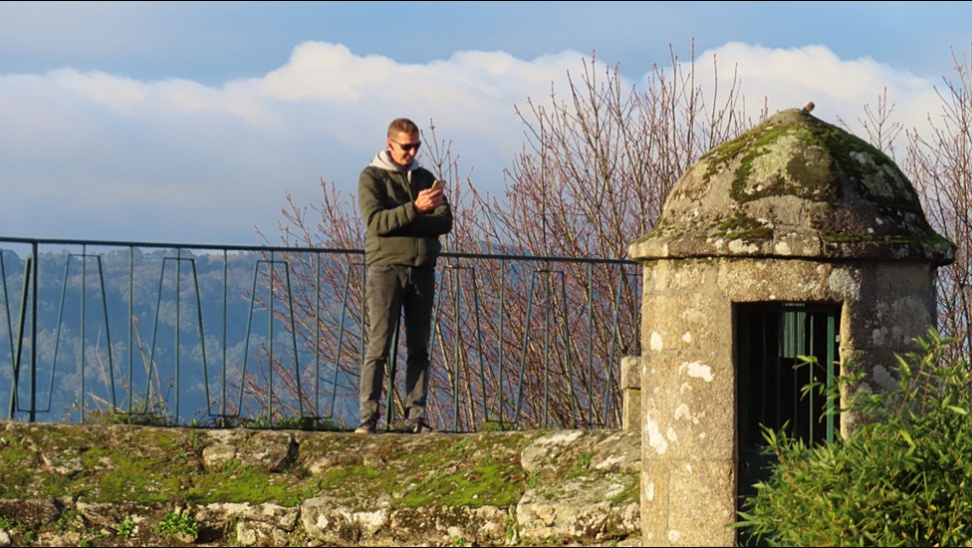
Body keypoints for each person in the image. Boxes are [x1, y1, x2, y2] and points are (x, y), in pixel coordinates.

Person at [355, 117, 453, 434]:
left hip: (422, 269)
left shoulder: (426, 178)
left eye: (416, 146)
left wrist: (408, 217)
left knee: (419, 348)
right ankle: (368, 419)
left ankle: (416, 418)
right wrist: (416, 209)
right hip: (385, 269)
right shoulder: (371, 177)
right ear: (390, 145)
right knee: (379, 346)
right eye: (406, 147)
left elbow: (445, 221)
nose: (412, 152)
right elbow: (376, 222)